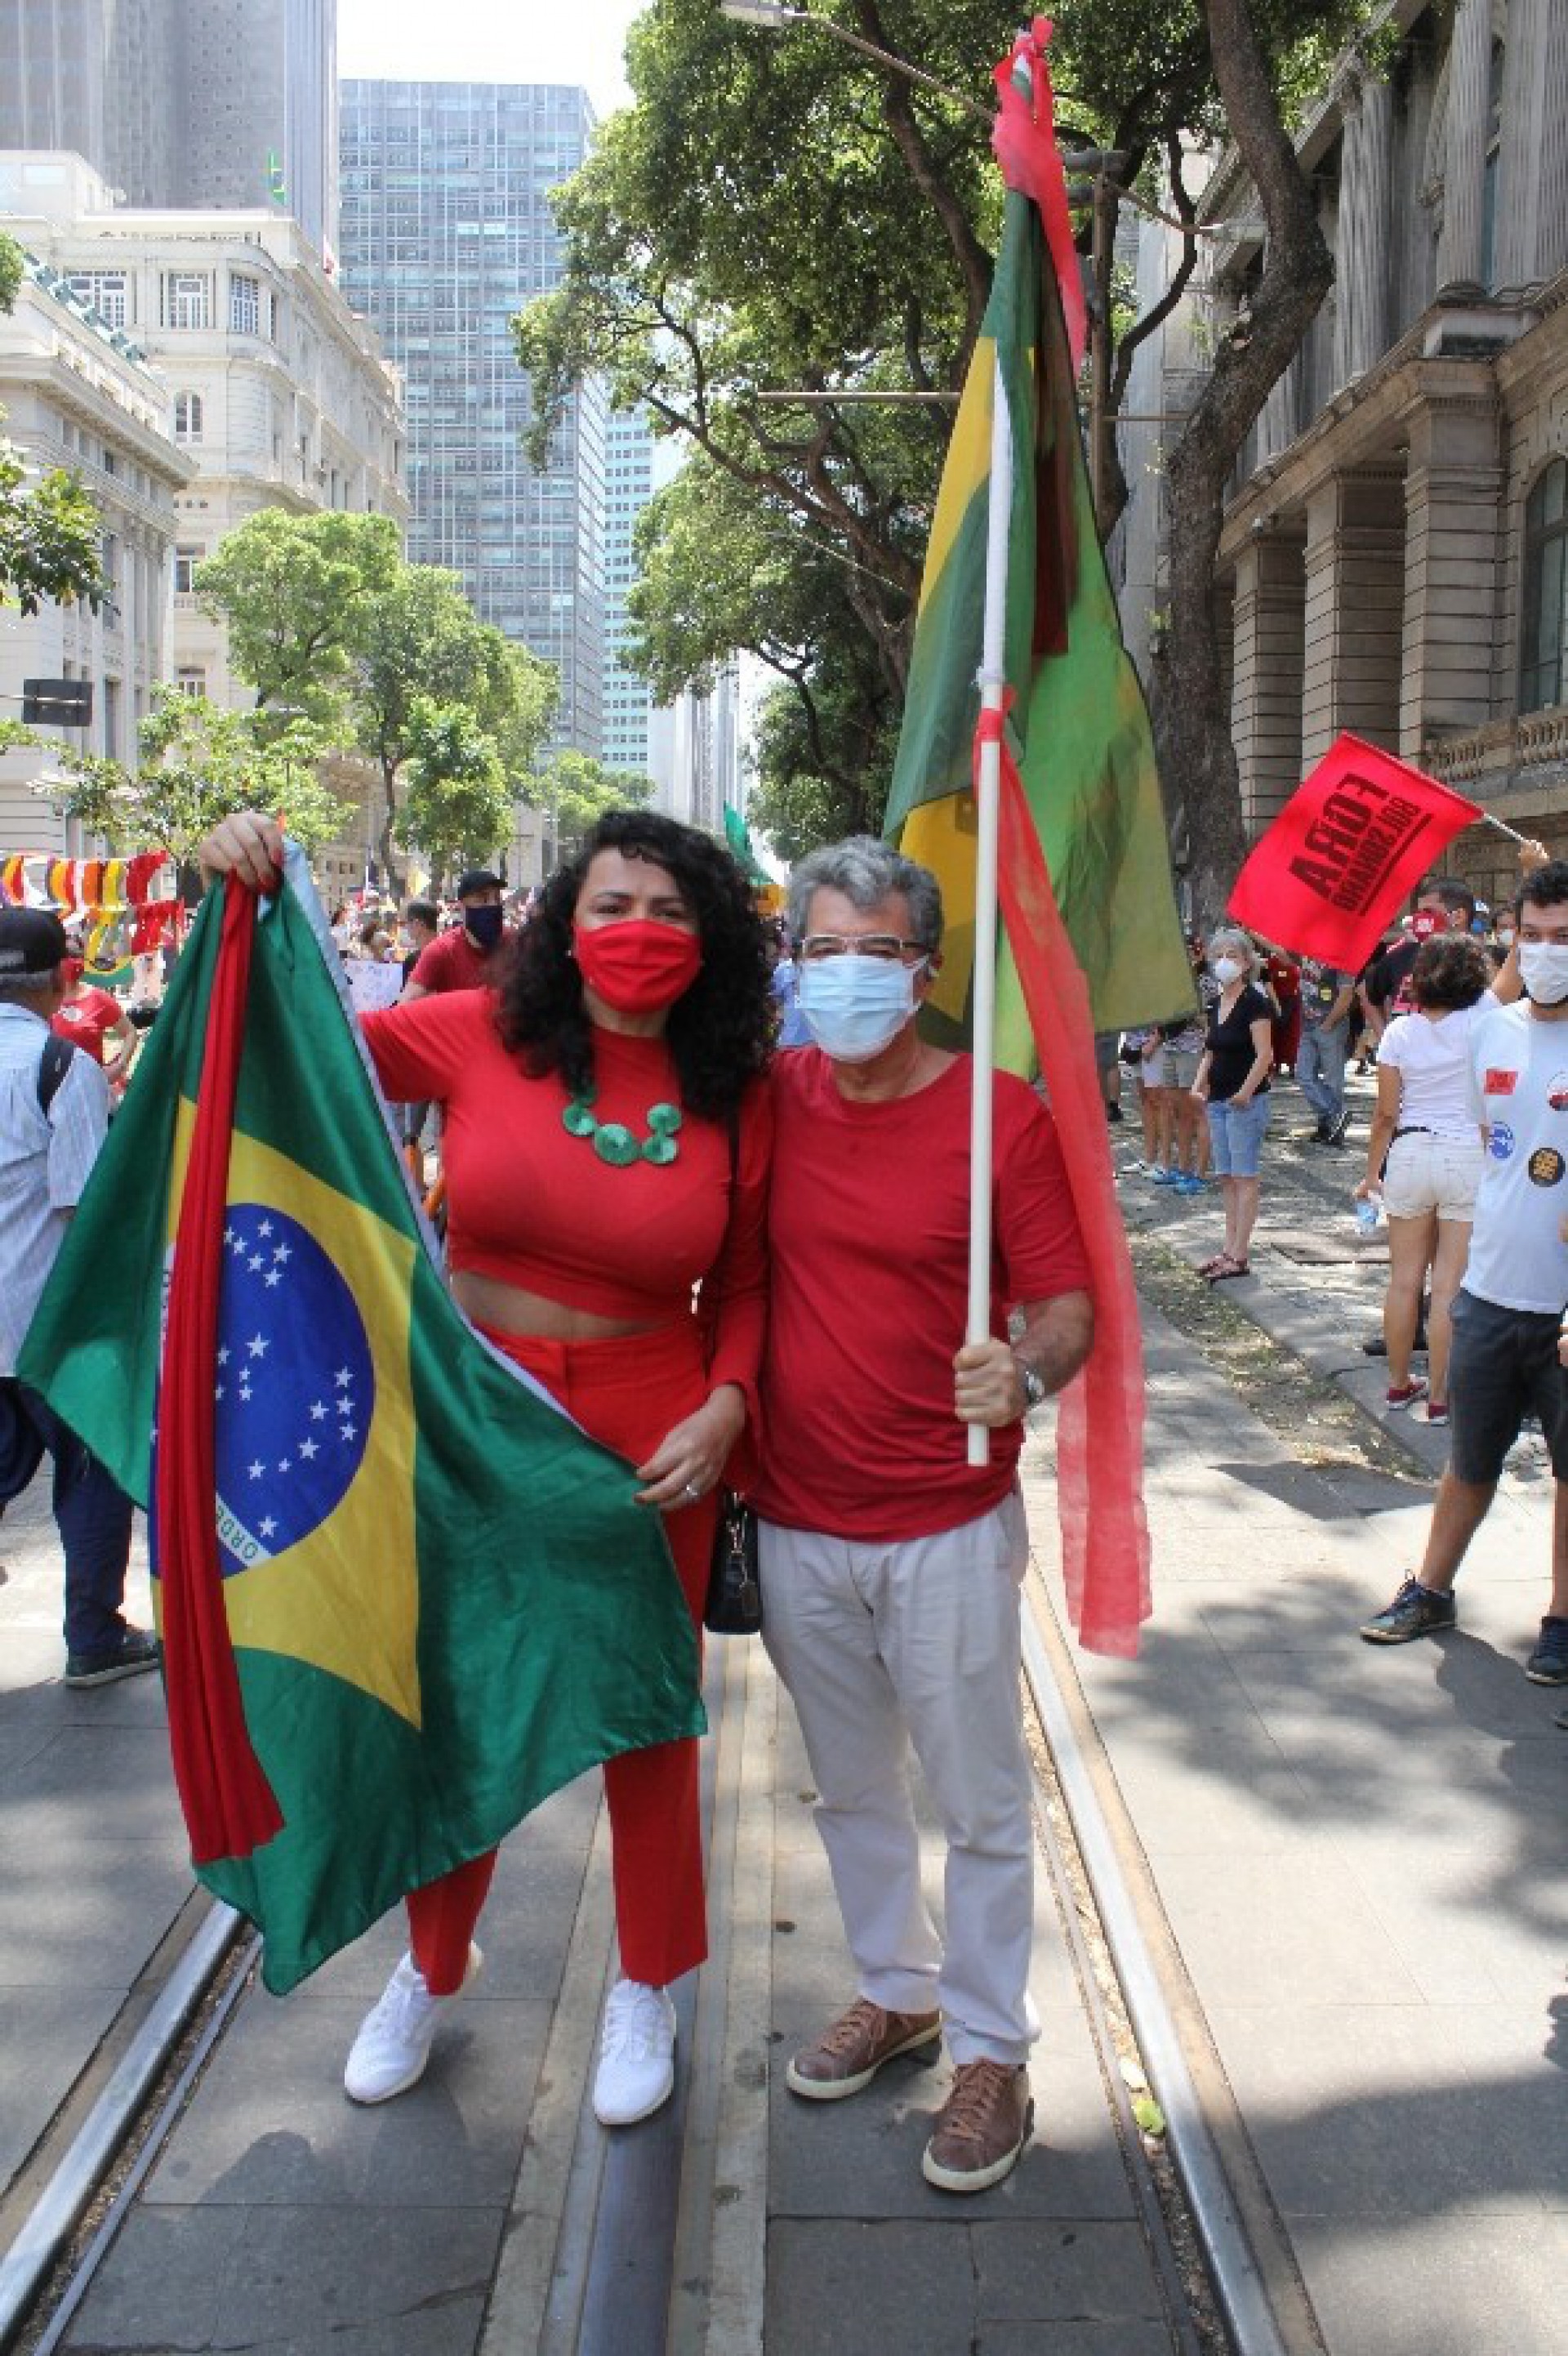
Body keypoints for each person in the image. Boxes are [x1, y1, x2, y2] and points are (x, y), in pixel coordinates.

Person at [198, 807, 773, 2126]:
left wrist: (728, 1404)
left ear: (712, 941)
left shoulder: (738, 1091)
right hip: (472, 1417)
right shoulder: (475, 1031)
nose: (639, 931)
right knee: (459, 1696)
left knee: (648, 1712)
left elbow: (746, 1280)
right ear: (565, 922)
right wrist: (249, 889)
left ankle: (648, 1981)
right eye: (614, 904)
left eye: (671, 911)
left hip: (653, 1431)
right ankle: (430, 1963)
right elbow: (296, 1044)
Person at [754, 837, 1094, 2196]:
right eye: (821, 950)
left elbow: (1066, 1303)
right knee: (850, 1788)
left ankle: (994, 2046)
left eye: (875, 951)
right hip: (797, 1518)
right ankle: (897, 1990)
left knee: (980, 1800)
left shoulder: (998, 1116)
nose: (845, 976)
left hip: (948, 1518)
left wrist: (1026, 1370)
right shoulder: (767, 1097)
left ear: (927, 969)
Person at [1360, 859, 1568, 1683]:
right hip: (1488, 1294)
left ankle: (1560, 1622)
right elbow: (1496, 1147)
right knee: (1469, 1461)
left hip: (1561, 1314)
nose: (1546, 951)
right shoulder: (1494, 1031)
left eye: (1563, 937)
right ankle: (1431, 1588)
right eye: (1533, 935)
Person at [0, 908, 156, 1686]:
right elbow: (86, 1210)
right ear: (64, 978)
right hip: (48, 1323)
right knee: (91, 1475)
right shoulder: (62, 1067)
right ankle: (94, 1636)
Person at [1354, 935, 1493, 1425]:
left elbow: (1384, 1114)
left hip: (1409, 1153)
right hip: (1465, 1155)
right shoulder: (1484, 1022)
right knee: (1450, 1283)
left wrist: (1372, 1174)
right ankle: (1439, 1396)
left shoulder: (1398, 1032)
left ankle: (1397, 1385)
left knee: (1403, 1280)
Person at [1191, 926, 1273, 1282]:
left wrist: (1245, 1092)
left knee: (1244, 1176)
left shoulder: (1256, 1004)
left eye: (1233, 956)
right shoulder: (1215, 1003)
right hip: (1218, 1100)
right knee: (1226, 1177)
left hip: (1245, 1103)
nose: (1224, 962)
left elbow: (1264, 1054)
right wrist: (1198, 1084)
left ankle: (1240, 1253)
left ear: (1247, 962)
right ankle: (1228, 1248)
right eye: (1219, 956)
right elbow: (1210, 1050)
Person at [403, 868, 509, 1001]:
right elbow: (406, 1003)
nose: (493, 905)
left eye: (498, 898)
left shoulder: (515, 944)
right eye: (483, 898)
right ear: (462, 907)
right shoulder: (442, 951)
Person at [1294, 957, 1357, 1145]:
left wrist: (1329, 1022)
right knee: (1304, 1074)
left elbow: (1346, 994)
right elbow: (1280, 950)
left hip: (1331, 1025)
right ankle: (1335, 1115)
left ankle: (1328, 1127)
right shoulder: (1306, 954)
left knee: (1333, 1079)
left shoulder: (1342, 960)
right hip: (1309, 1025)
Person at [52, 947, 135, 1087]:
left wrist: (119, 1066)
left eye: (76, 958)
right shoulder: (45, 998)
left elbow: (130, 1032)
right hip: (53, 1086)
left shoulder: (98, 998)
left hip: (90, 1084)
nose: (73, 964)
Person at [401, 899, 439, 987]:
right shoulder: (449, 951)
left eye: (405, 923)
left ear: (418, 924)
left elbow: (408, 994)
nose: (405, 927)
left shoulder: (413, 960)